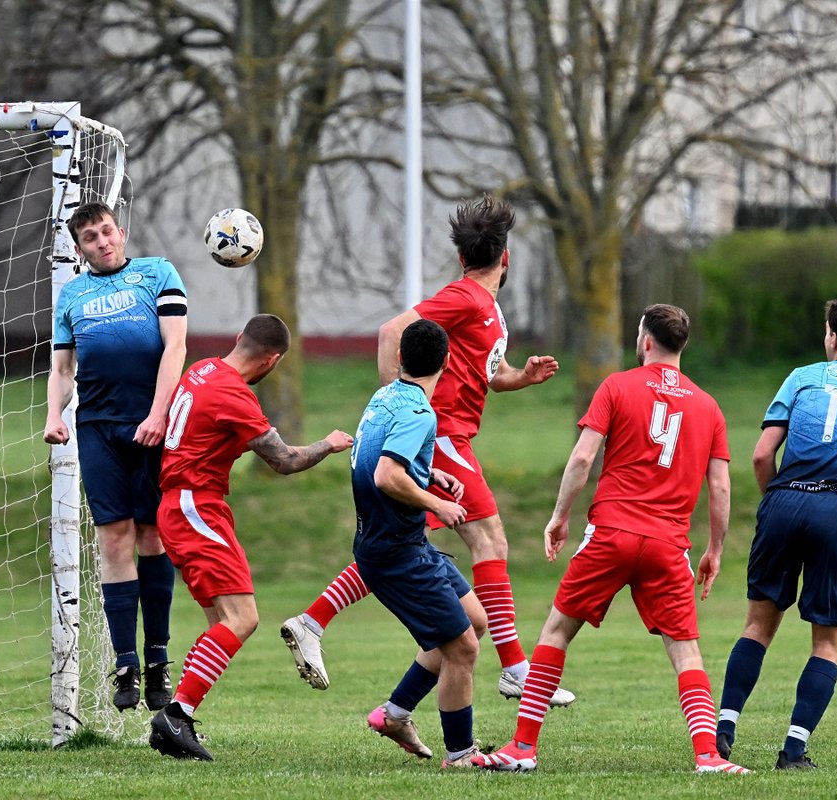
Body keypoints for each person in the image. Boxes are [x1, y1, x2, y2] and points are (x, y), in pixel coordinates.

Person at [282, 195, 574, 707]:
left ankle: (316, 625)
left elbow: (489, 376)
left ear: (464, 256)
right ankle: (515, 670)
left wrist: (521, 378)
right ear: (506, 258)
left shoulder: (487, 310)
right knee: (491, 541)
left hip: (451, 436)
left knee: (398, 550)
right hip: (439, 436)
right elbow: (392, 331)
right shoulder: (463, 298)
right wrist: (395, 409)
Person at [473, 304, 749, 775]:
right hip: (668, 546)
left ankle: (522, 748)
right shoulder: (708, 405)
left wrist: (559, 517)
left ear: (645, 341)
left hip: (612, 533)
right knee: (685, 650)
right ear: (681, 345)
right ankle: (708, 756)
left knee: (557, 632)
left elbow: (582, 460)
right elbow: (721, 487)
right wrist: (715, 550)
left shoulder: (617, 386)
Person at [716, 298, 837, 770]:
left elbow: (763, 455)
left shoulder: (802, 377)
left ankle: (723, 729)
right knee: (827, 642)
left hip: (785, 501)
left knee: (758, 624)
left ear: (832, 337)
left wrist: (778, 497)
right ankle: (793, 749)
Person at [148, 314, 354, 761]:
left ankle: (177, 717)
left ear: (240, 338)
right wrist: (330, 443)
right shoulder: (235, 395)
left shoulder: (202, 369)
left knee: (221, 621)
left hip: (180, 504)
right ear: (273, 360)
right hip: (194, 505)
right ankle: (175, 715)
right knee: (242, 618)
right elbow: (284, 460)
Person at [44, 201, 186, 713]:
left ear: (120, 232)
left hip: (152, 426)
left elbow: (175, 348)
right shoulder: (73, 295)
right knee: (114, 538)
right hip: (99, 429)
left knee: (153, 535)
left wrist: (157, 413)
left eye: (106, 232)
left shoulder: (157, 274)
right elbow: (62, 371)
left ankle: (157, 663)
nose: (102, 242)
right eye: (89, 238)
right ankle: (125, 665)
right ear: (80, 249)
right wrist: (53, 416)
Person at [353, 319, 487, 768]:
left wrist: (429, 472)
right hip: (397, 553)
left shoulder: (386, 395)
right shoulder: (419, 413)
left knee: (473, 621)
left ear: (400, 359)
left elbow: (380, 457)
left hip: (401, 543)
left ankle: (394, 714)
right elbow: (385, 475)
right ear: (446, 362)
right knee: (462, 648)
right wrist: (438, 503)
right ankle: (461, 754)